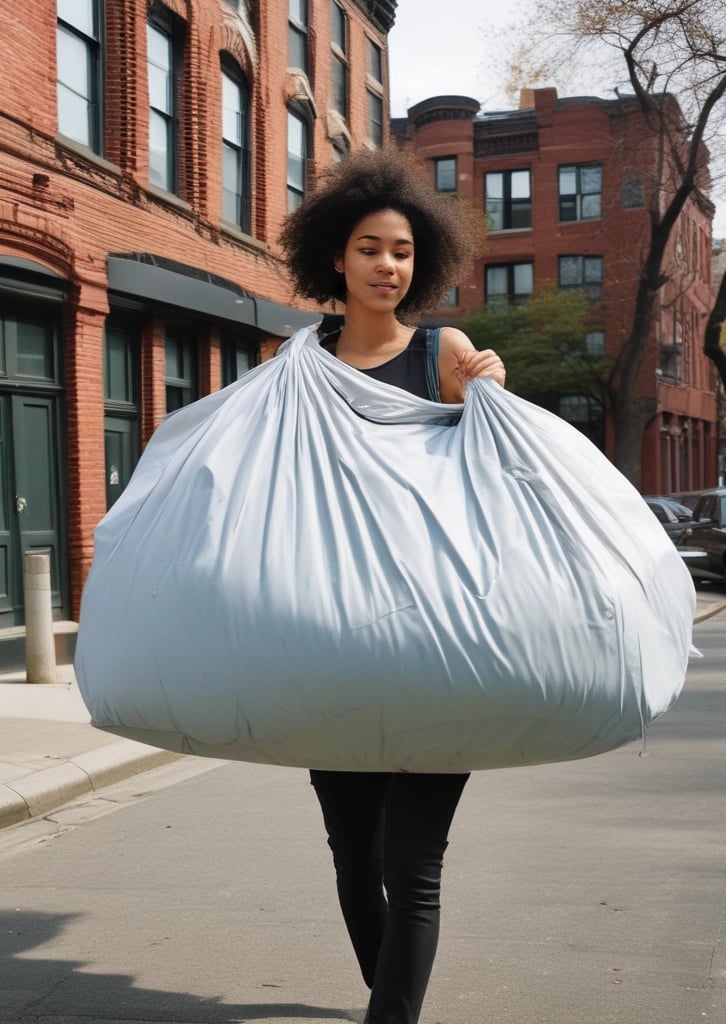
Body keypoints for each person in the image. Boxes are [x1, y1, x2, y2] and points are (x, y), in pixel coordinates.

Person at [278, 148, 506, 1024]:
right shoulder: (298, 365)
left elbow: (495, 473)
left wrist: (492, 394)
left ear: (423, 263)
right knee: (351, 860)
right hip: (336, 647)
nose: (387, 265)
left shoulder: (444, 354)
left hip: (438, 642)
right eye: (370, 248)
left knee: (414, 868)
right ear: (336, 256)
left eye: (403, 251)